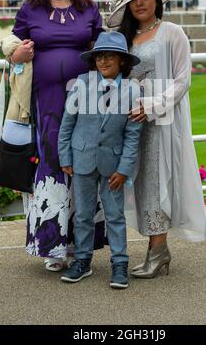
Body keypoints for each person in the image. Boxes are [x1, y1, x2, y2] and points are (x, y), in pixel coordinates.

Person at [8, 0, 106, 271]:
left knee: (84, 164)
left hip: (85, 103)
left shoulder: (89, 9)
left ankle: (83, 248)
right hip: (46, 102)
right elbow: (10, 42)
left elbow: (105, 45)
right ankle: (53, 247)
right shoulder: (29, 10)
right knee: (52, 164)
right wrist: (14, 54)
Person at [107, 0, 206, 279]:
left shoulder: (172, 32)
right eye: (133, 0)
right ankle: (153, 251)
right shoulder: (125, 40)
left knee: (158, 181)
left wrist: (152, 107)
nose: (140, 4)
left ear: (156, 0)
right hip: (129, 121)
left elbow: (183, 80)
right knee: (138, 182)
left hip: (161, 121)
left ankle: (158, 252)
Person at [58, 31, 143, 288]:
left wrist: (124, 168)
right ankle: (82, 261)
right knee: (82, 214)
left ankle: (119, 264)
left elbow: (132, 136)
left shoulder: (132, 91)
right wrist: (65, 156)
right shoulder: (82, 84)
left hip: (113, 166)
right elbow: (67, 124)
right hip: (82, 159)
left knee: (115, 215)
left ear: (122, 61)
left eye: (109, 57)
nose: (103, 62)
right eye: (99, 57)